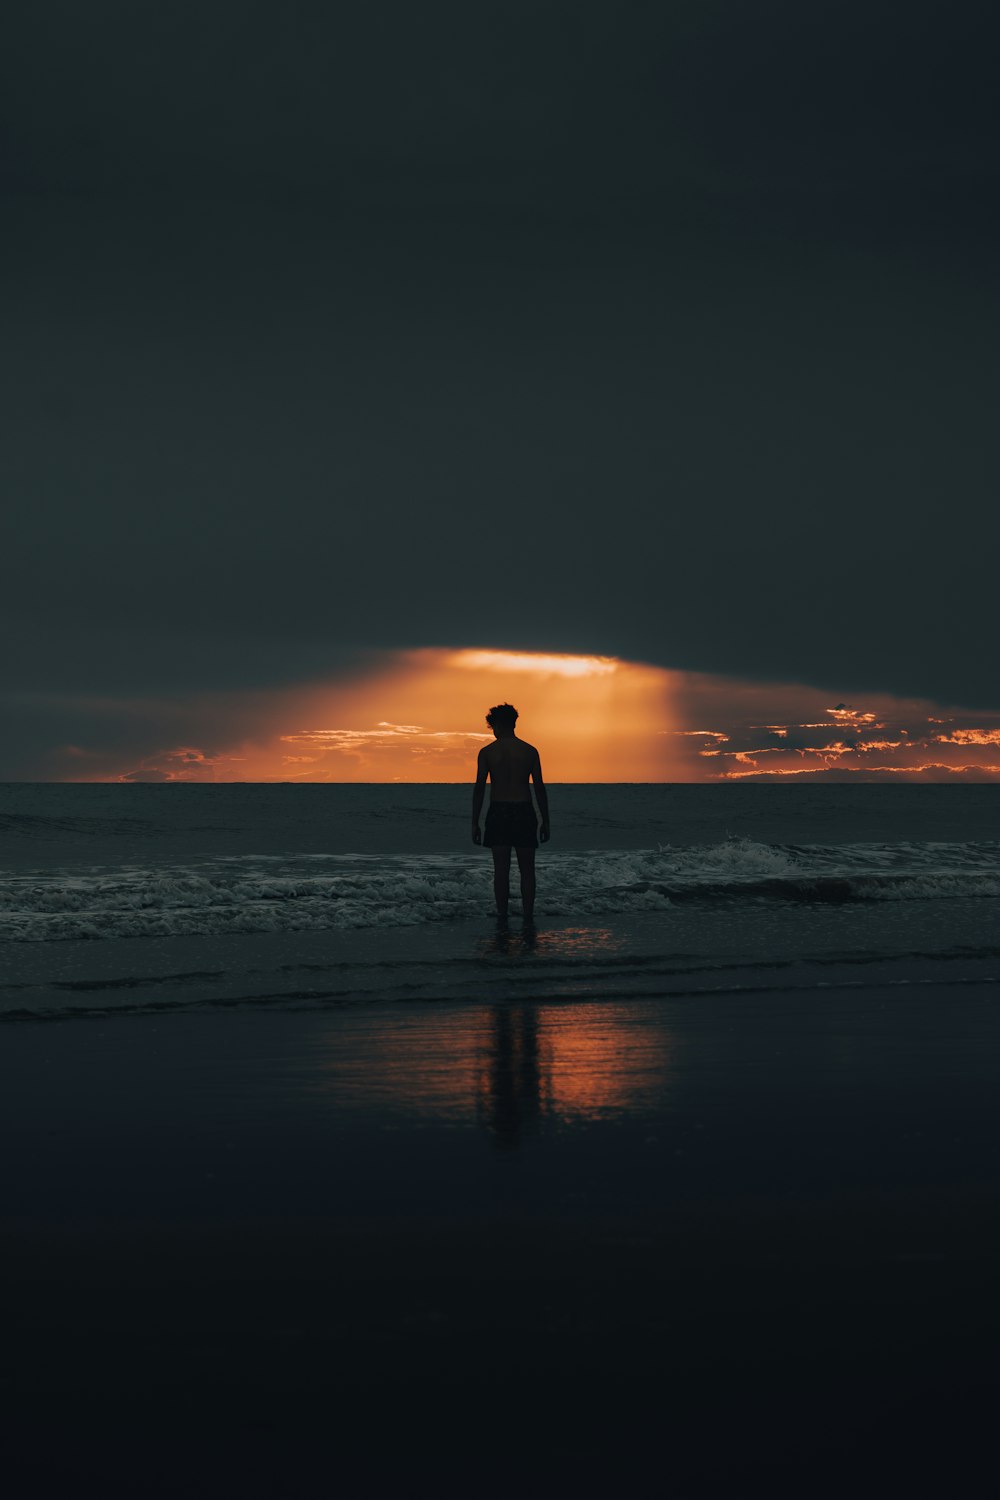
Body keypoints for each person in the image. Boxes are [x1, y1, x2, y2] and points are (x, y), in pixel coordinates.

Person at [471, 703, 550, 921]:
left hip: (498, 811)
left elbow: (479, 789)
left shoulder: (487, 752)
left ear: (496, 724)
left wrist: (475, 822)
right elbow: (540, 789)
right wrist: (546, 821)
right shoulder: (530, 751)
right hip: (524, 810)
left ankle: (502, 915)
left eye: (492, 726)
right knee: (527, 870)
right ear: (514, 723)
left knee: (501, 870)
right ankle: (527, 916)